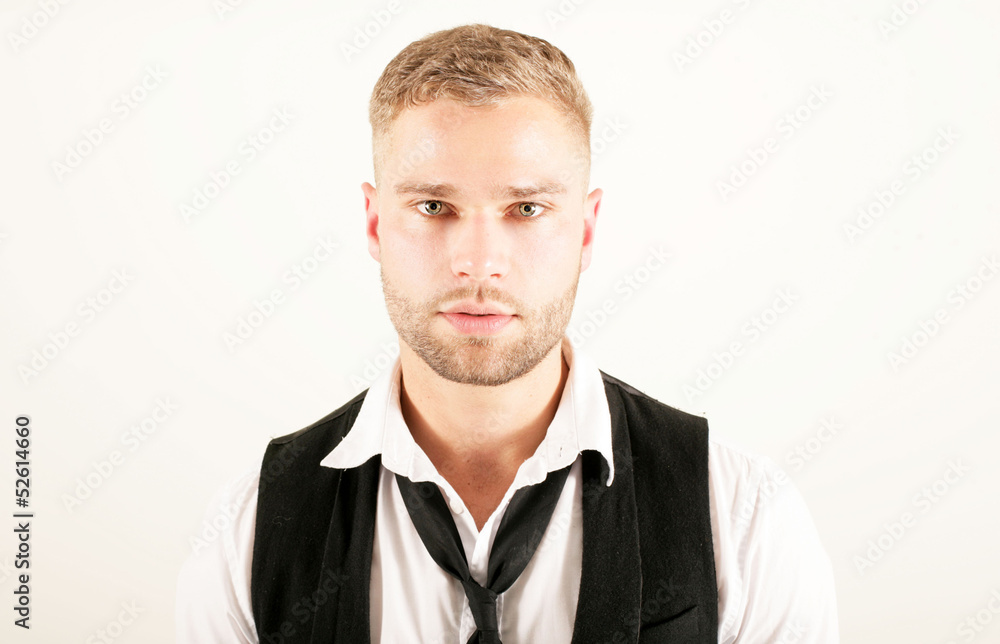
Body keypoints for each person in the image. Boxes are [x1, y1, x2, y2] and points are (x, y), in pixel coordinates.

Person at [176, 23, 839, 643]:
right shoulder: (248, 532)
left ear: (585, 230)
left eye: (526, 208)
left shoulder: (744, 519)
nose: (478, 261)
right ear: (375, 224)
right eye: (434, 206)